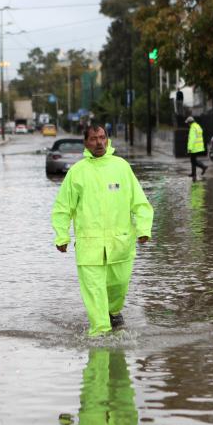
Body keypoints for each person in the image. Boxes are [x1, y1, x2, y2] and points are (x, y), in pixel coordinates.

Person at [52, 124, 154, 336]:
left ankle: (114, 312)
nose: (99, 142)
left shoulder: (121, 167)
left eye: (102, 137)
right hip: (90, 246)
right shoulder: (77, 172)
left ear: (107, 139)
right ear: (86, 143)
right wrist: (62, 235)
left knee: (118, 286)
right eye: (93, 139)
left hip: (120, 245)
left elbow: (140, 202)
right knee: (95, 292)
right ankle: (100, 336)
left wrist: (144, 228)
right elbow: (63, 208)